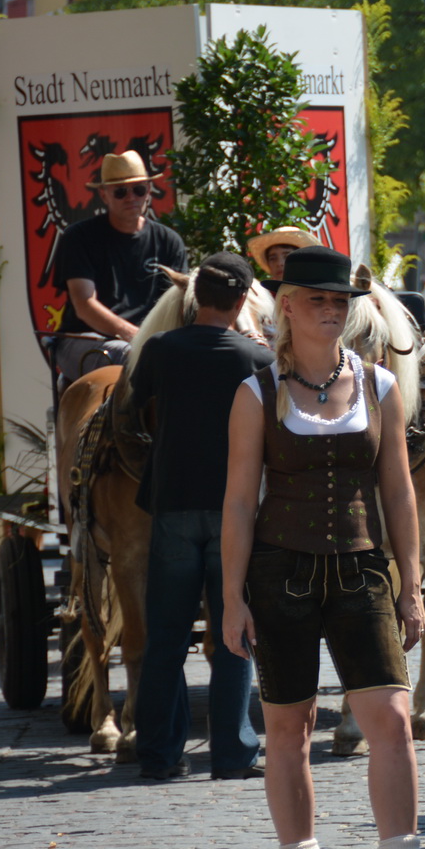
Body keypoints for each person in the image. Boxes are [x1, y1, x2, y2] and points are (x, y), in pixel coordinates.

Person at [220, 245, 425, 849]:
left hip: (361, 570)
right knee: (288, 728)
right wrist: (232, 596)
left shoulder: (379, 385)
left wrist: (411, 584)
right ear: (287, 308)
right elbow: (237, 502)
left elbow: (399, 492)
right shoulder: (255, 393)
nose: (330, 310)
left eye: (338, 300)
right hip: (281, 573)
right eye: (316, 300)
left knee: (392, 720)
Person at [128, 253, 275, 782]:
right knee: (235, 632)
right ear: (240, 302)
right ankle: (232, 753)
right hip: (235, 511)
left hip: (172, 505)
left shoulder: (160, 348)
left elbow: (133, 407)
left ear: (194, 299)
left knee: (166, 636)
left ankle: (159, 754)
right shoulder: (254, 358)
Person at [51, 150, 187, 381]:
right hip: (84, 339)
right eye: (121, 191)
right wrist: (136, 336)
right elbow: (84, 304)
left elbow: (177, 305)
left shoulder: (169, 241)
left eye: (138, 189)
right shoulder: (78, 237)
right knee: (130, 356)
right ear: (104, 195)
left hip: (148, 343)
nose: (131, 197)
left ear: (149, 191)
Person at [246, 226, 319, 282]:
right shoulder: (264, 296)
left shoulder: (319, 292)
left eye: (287, 256)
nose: (279, 263)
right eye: (272, 259)